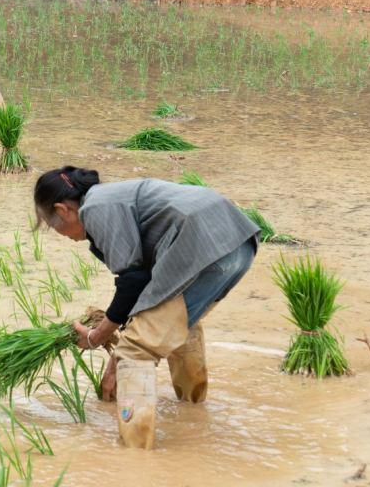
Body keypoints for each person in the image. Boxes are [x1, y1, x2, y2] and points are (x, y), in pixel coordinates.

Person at [32, 168, 260, 450]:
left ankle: (136, 452)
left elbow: (132, 282)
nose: (61, 235)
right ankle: (193, 409)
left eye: (54, 226)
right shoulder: (111, 199)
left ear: (63, 209)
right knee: (179, 324)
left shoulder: (96, 208)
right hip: (238, 242)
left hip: (201, 248)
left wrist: (98, 337)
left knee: (134, 353)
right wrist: (118, 332)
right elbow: (145, 290)